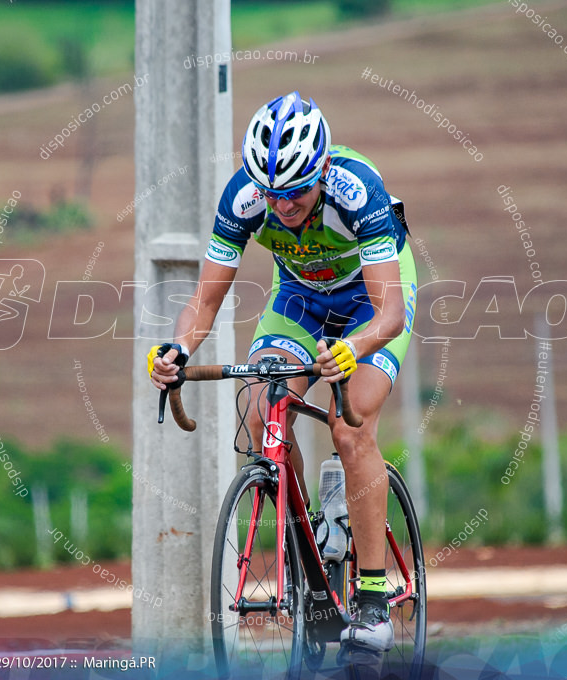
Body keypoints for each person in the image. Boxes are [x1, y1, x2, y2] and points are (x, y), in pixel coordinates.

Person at [149, 91, 417, 655]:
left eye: (295, 192)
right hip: (298, 299)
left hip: (369, 302)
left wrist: (354, 347)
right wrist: (177, 347)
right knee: (262, 408)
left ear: (320, 169)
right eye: (272, 194)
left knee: (351, 426)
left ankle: (370, 598)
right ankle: (309, 551)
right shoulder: (245, 197)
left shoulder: (356, 188)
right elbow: (204, 300)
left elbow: (389, 313)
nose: (284, 205)